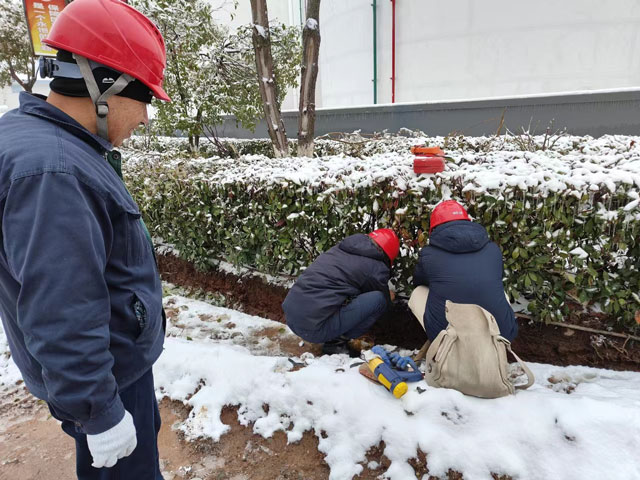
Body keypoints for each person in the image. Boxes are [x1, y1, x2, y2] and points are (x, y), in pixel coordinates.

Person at [0, 0, 170, 477]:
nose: (144, 118)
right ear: (106, 86)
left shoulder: (50, 144)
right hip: (106, 378)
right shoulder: (54, 171)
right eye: (145, 99)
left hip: (109, 368)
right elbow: (61, 307)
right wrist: (100, 413)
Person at [409, 200, 518, 342]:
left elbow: (419, 281)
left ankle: (446, 346)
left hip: (449, 338)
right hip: (501, 334)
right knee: (499, 290)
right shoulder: (493, 250)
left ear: (434, 228)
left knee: (418, 292)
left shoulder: (428, 254)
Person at [282, 229, 399, 356]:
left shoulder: (340, 249)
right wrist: (389, 297)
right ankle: (336, 343)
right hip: (312, 330)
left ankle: (329, 332)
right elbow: (381, 301)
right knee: (379, 300)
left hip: (291, 317)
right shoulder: (377, 267)